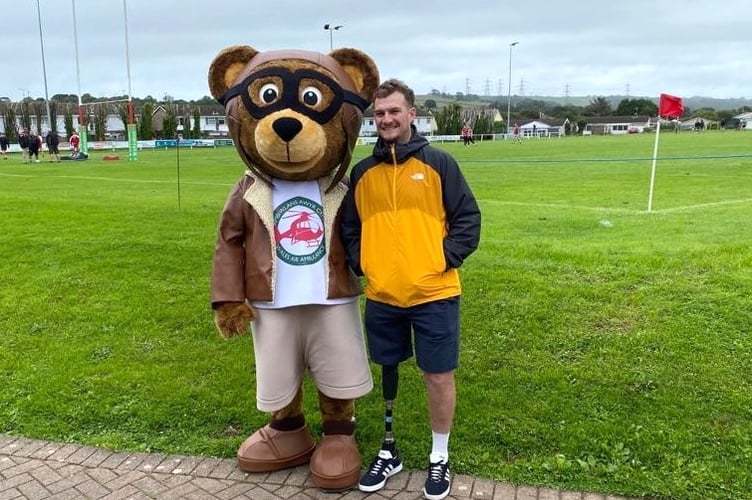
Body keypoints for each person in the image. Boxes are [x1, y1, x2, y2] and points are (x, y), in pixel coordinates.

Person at [341, 78, 481, 500]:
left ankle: (439, 456)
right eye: (379, 114)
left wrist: (440, 260)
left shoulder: (440, 164)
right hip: (384, 295)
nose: (385, 119)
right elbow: (349, 227)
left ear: (410, 115)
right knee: (387, 367)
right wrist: (364, 264)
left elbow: (468, 221)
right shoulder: (362, 172)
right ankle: (389, 450)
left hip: (434, 294)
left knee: (437, 374)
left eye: (393, 112)